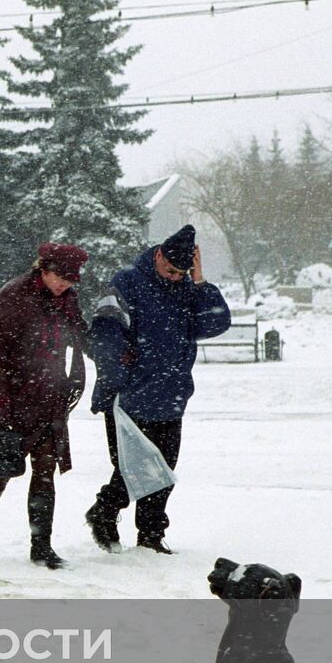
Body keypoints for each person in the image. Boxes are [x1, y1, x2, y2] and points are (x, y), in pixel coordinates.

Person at [84, 224, 231, 554]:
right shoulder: (127, 282)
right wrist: (118, 381)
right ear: (158, 254)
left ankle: (149, 536)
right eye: (170, 270)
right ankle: (105, 513)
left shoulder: (187, 287)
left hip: (171, 394)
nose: (175, 277)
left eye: (182, 272)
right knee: (133, 466)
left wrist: (201, 282)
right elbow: (105, 334)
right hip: (130, 395)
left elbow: (216, 322)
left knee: (163, 470)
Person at [0, 242, 89, 569]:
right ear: (43, 269)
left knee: (45, 471)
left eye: (70, 279)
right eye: (59, 276)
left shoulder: (67, 300)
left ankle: (41, 545)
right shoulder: (14, 296)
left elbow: (79, 335)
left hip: (49, 398)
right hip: (12, 398)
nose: (64, 284)